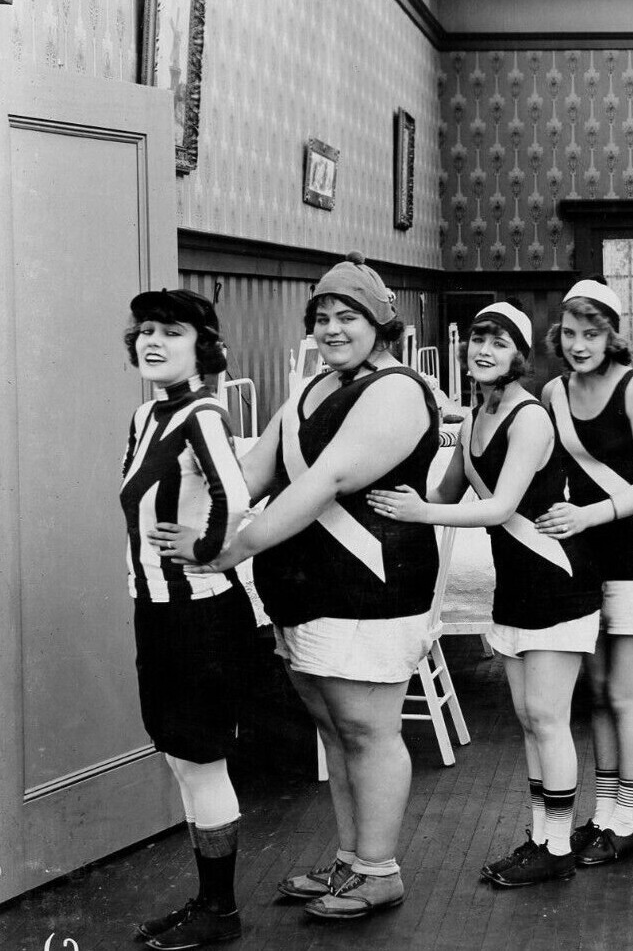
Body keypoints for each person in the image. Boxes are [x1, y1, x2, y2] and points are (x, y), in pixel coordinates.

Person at [178, 253, 440, 922]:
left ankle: (380, 870)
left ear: (379, 323)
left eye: (347, 316)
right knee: (334, 728)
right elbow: (252, 473)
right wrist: (196, 496)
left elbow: (328, 481)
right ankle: (352, 860)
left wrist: (236, 547)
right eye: (321, 317)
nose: (331, 328)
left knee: (368, 730)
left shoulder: (398, 389)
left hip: (371, 587)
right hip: (305, 590)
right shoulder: (313, 390)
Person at [368, 302, 601, 887]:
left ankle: (558, 846)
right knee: (529, 720)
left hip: (556, 581)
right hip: (514, 587)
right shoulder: (473, 418)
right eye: (477, 339)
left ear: (519, 355)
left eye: (498, 341)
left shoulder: (530, 417)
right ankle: (541, 837)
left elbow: (498, 507)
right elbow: (442, 493)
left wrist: (420, 513)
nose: (484, 350)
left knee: (548, 718)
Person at [124, 288, 252, 950]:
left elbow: (236, 496)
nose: (153, 341)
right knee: (181, 758)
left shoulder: (202, 413)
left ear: (202, 346)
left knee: (201, 762)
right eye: (146, 330)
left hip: (200, 616)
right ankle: (207, 900)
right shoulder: (148, 414)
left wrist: (203, 549)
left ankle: (220, 910)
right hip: (157, 610)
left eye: (171, 332)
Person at [537, 278, 633, 862]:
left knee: (625, 691)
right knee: (595, 693)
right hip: (585, 559)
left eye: (591, 334)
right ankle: (602, 814)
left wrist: (588, 515)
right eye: (570, 333)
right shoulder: (552, 392)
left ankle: (628, 822)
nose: (579, 345)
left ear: (612, 336)